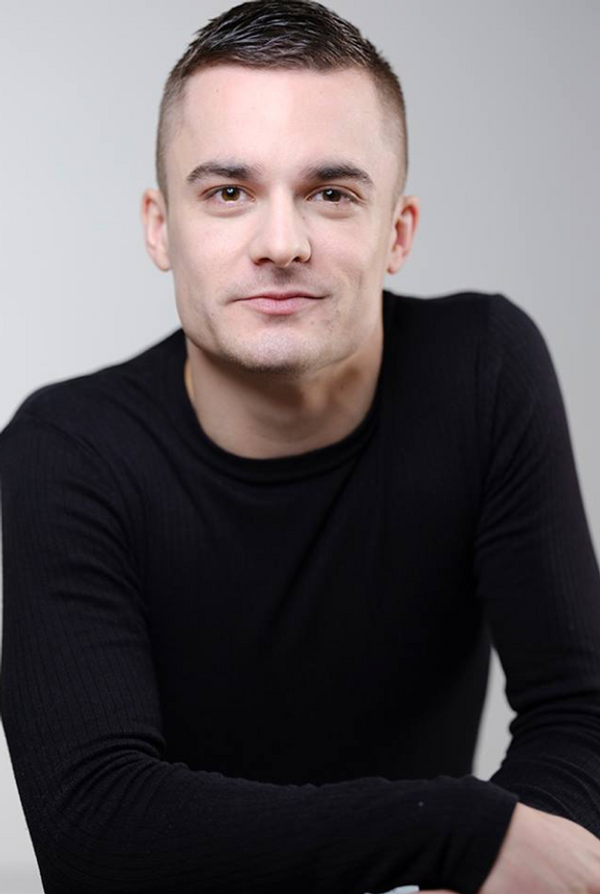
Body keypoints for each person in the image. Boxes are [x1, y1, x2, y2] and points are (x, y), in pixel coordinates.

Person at [1, 1, 600, 892]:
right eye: (228, 193)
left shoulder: (483, 371)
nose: (281, 244)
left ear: (397, 232)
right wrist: (458, 833)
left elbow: (581, 711)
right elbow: (94, 829)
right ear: (161, 228)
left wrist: (474, 874)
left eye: (331, 194)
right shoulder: (65, 451)